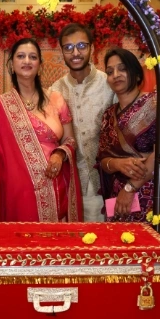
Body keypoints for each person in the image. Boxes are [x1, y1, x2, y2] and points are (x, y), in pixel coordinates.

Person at [0, 38, 83, 223]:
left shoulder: (56, 99)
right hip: (19, 194)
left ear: (40, 65)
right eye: (21, 56)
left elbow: (70, 140)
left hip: (56, 188)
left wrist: (59, 154)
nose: (27, 61)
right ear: (12, 64)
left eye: (33, 57)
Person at [97, 48, 160, 226]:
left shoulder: (155, 104)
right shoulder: (108, 115)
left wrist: (130, 187)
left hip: (153, 195)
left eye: (122, 69)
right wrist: (118, 164)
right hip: (119, 199)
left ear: (137, 75)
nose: (115, 75)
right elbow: (102, 158)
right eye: (110, 72)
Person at [49, 23, 115, 221]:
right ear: (62, 52)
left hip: (107, 182)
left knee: (109, 236)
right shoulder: (55, 91)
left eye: (81, 46)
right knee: (74, 238)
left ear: (91, 48)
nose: (75, 53)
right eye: (68, 47)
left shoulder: (109, 84)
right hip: (70, 184)